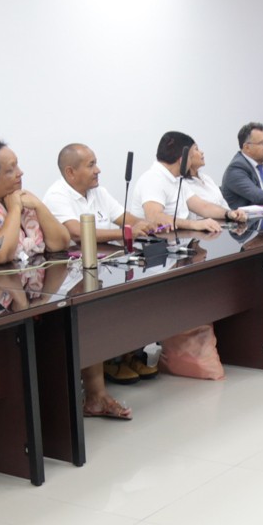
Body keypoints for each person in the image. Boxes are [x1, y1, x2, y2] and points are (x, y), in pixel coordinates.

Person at [44, 144, 164, 390]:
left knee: (138, 293)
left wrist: (146, 224)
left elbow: (126, 219)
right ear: (70, 172)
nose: (98, 170)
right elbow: (77, 233)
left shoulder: (98, 191)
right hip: (71, 277)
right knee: (106, 307)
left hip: (104, 267)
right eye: (91, 165)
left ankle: (129, 355)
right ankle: (111, 360)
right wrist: (126, 232)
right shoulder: (57, 196)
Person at [135, 131, 247, 234]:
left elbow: (203, 206)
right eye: (190, 157)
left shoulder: (176, 179)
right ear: (182, 160)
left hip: (177, 241)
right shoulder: (153, 179)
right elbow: (154, 217)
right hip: (158, 245)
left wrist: (229, 213)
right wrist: (194, 224)